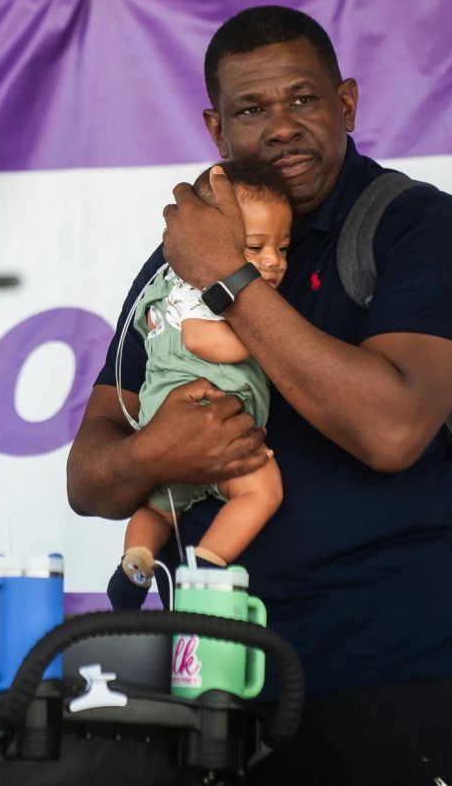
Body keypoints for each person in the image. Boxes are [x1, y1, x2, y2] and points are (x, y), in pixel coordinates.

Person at [67, 5, 452, 785]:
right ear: (215, 127)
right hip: (210, 668)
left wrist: (228, 277)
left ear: (347, 105)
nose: (282, 126)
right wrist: (152, 451)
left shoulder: (417, 227)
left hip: (385, 665)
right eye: (251, 109)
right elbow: (88, 477)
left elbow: (394, 428)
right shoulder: (180, 260)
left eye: (303, 99)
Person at [106, 160, 290, 610]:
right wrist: (267, 338)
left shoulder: (181, 282)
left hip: (179, 428)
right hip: (203, 419)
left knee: (157, 509)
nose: (273, 261)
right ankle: (209, 564)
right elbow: (198, 336)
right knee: (263, 490)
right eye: (255, 246)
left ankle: (136, 563)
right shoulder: (197, 285)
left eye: (283, 248)